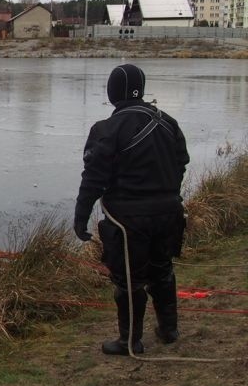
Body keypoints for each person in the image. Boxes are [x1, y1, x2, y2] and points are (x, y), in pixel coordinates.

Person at [74, 63, 189, 355]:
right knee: (162, 270)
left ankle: (129, 341)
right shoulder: (169, 123)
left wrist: (81, 217)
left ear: (113, 93)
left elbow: (93, 180)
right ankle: (168, 330)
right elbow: (181, 163)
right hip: (169, 213)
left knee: (128, 279)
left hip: (128, 221)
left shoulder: (106, 130)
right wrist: (168, 192)